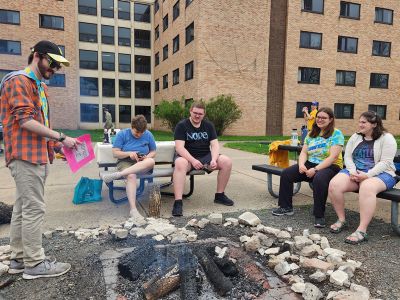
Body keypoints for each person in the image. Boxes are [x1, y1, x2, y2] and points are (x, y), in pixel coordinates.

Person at [0, 40, 80, 279]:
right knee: (34, 208)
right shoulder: (18, 81)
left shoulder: (39, 87)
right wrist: (61, 137)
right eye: (52, 63)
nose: (54, 69)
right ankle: (34, 264)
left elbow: (40, 126)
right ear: (38, 56)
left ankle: (18, 259)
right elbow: (24, 121)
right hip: (25, 157)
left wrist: (58, 146)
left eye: (57, 66)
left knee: (23, 209)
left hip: (38, 155)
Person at [328, 111, 397, 244]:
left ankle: (362, 230)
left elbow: (386, 162)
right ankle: (342, 220)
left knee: (367, 187)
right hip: (356, 172)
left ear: (374, 124)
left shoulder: (387, 138)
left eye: (363, 122)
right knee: (334, 184)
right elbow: (347, 156)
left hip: (382, 174)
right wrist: (353, 172)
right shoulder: (356, 136)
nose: (360, 125)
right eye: (359, 122)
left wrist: (367, 175)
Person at [272, 107, 344, 228]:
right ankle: (286, 207)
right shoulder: (311, 133)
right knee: (287, 174)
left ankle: (319, 215)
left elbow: (332, 157)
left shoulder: (336, 133)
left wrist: (315, 170)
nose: (320, 120)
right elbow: (304, 152)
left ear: (331, 119)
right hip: (311, 163)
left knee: (319, 179)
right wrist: (301, 165)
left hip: (331, 166)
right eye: (318, 117)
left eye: (324, 118)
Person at [171, 101, 234, 216]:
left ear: (204, 114)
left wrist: (214, 159)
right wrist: (193, 160)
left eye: (200, 114)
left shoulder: (208, 125)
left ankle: (219, 195)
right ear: (190, 111)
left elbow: (215, 145)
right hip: (187, 157)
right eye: (195, 112)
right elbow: (179, 148)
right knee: (180, 163)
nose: (197, 115)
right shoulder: (182, 125)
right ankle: (178, 202)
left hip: (205, 156)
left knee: (226, 161)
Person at [101, 115, 156, 221]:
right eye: (136, 132)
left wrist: (146, 157)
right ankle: (133, 210)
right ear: (132, 127)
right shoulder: (122, 134)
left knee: (151, 161)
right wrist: (129, 154)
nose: (139, 135)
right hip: (125, 162)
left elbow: (153, 151)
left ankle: (119, 175)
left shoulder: (148, 134)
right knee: (131, 176)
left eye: (142, 133)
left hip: (142, 163)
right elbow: (115, 153)